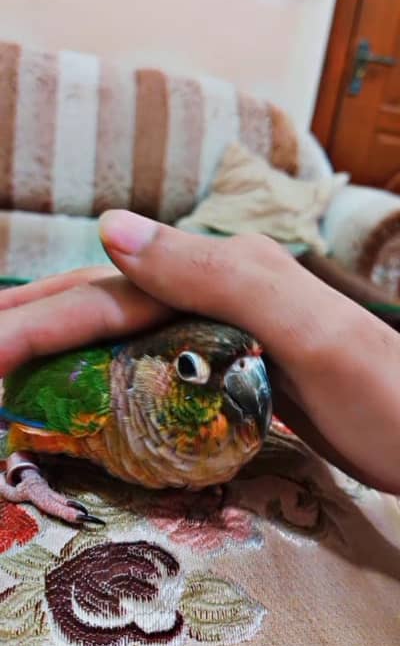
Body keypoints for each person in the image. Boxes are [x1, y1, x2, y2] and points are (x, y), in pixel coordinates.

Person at [0, 209, 399, 495]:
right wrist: (24, 469)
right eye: (188, 368)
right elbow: (17, 427)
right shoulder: (95, 396)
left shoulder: (241, 421)